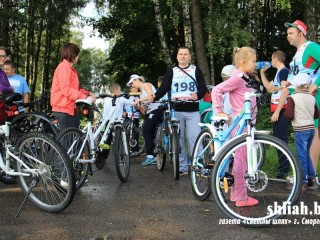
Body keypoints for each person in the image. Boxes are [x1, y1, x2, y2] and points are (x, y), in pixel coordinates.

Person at [211, 46, 258, 207]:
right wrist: (219, 111)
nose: (255, 64)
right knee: (241, 160)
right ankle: (240, 197)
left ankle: (236, 194)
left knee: (242, 158)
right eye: (253, 61)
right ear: (244, 62)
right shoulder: (238, 77)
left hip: (248, 122)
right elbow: (217, 89)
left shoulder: (245, 77)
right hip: (242, 122)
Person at [153, 46, 207, 175]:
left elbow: (203, 87)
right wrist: (154, 96)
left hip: (193, 110)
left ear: (189, 56)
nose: (183, 56)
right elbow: (164, 88)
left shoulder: (196, 70)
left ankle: (198, 166)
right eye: (180, 54)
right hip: (176, 110)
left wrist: (198, 95)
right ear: (177, 57)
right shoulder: (172, 71)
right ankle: (182, 167)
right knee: (178, 139)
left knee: (194, 139)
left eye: (185, 54)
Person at [284, 20, 320, 181]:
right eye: (287, 34)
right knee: (304, 135)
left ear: (301, 33)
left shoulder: (311, 47)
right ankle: (307, 174)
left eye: (291, 33)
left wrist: (316, 84)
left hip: (310, 98)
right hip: (298, 99)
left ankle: (309, 177)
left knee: (313, 132)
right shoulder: (298, 53)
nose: (288, 36)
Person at [50, 43, 97, 132]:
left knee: (76, 139)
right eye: (78, 55)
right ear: (73, 55)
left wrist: (88, 93)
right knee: (67, 142)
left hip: (70, 109)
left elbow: (75, 90)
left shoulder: (69, 69)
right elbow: (66, 90)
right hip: (63, 109)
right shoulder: (64, 67)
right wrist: (86, 97)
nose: (78, 57)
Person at [284, 73, 319, 189]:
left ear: (297, 86)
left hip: (301, 129)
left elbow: (289, 115)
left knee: (301, 156)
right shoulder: (311, 97)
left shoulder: (293, 98)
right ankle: (312, 179)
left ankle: (302, 181)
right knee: (306, 154)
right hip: (311, 129)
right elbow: (317, 114)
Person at [259, 50, 290, 178]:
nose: (270, 61)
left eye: (271, 59)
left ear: (276, 59)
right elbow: (269, 88)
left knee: (281, 140)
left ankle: (284, 170)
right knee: (278, 139)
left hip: (281, 110)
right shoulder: (279, 73)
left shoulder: (284, 71)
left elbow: (285, 91)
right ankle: (283, 168)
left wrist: (277, 111)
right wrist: (262, 73)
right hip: (277, 109)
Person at [129, 74, 162, 166]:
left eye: (132, 83)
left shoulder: (146, 85)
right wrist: (140, 107)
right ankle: (153, 154)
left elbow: (151, 96)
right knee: (150, 133)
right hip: (151, 112)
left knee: (146, 131)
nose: (132, 86)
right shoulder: (141, 93)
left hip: (156, 110)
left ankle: (150, 156)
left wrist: (138, 101)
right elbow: (144, 109)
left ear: (136, 80)